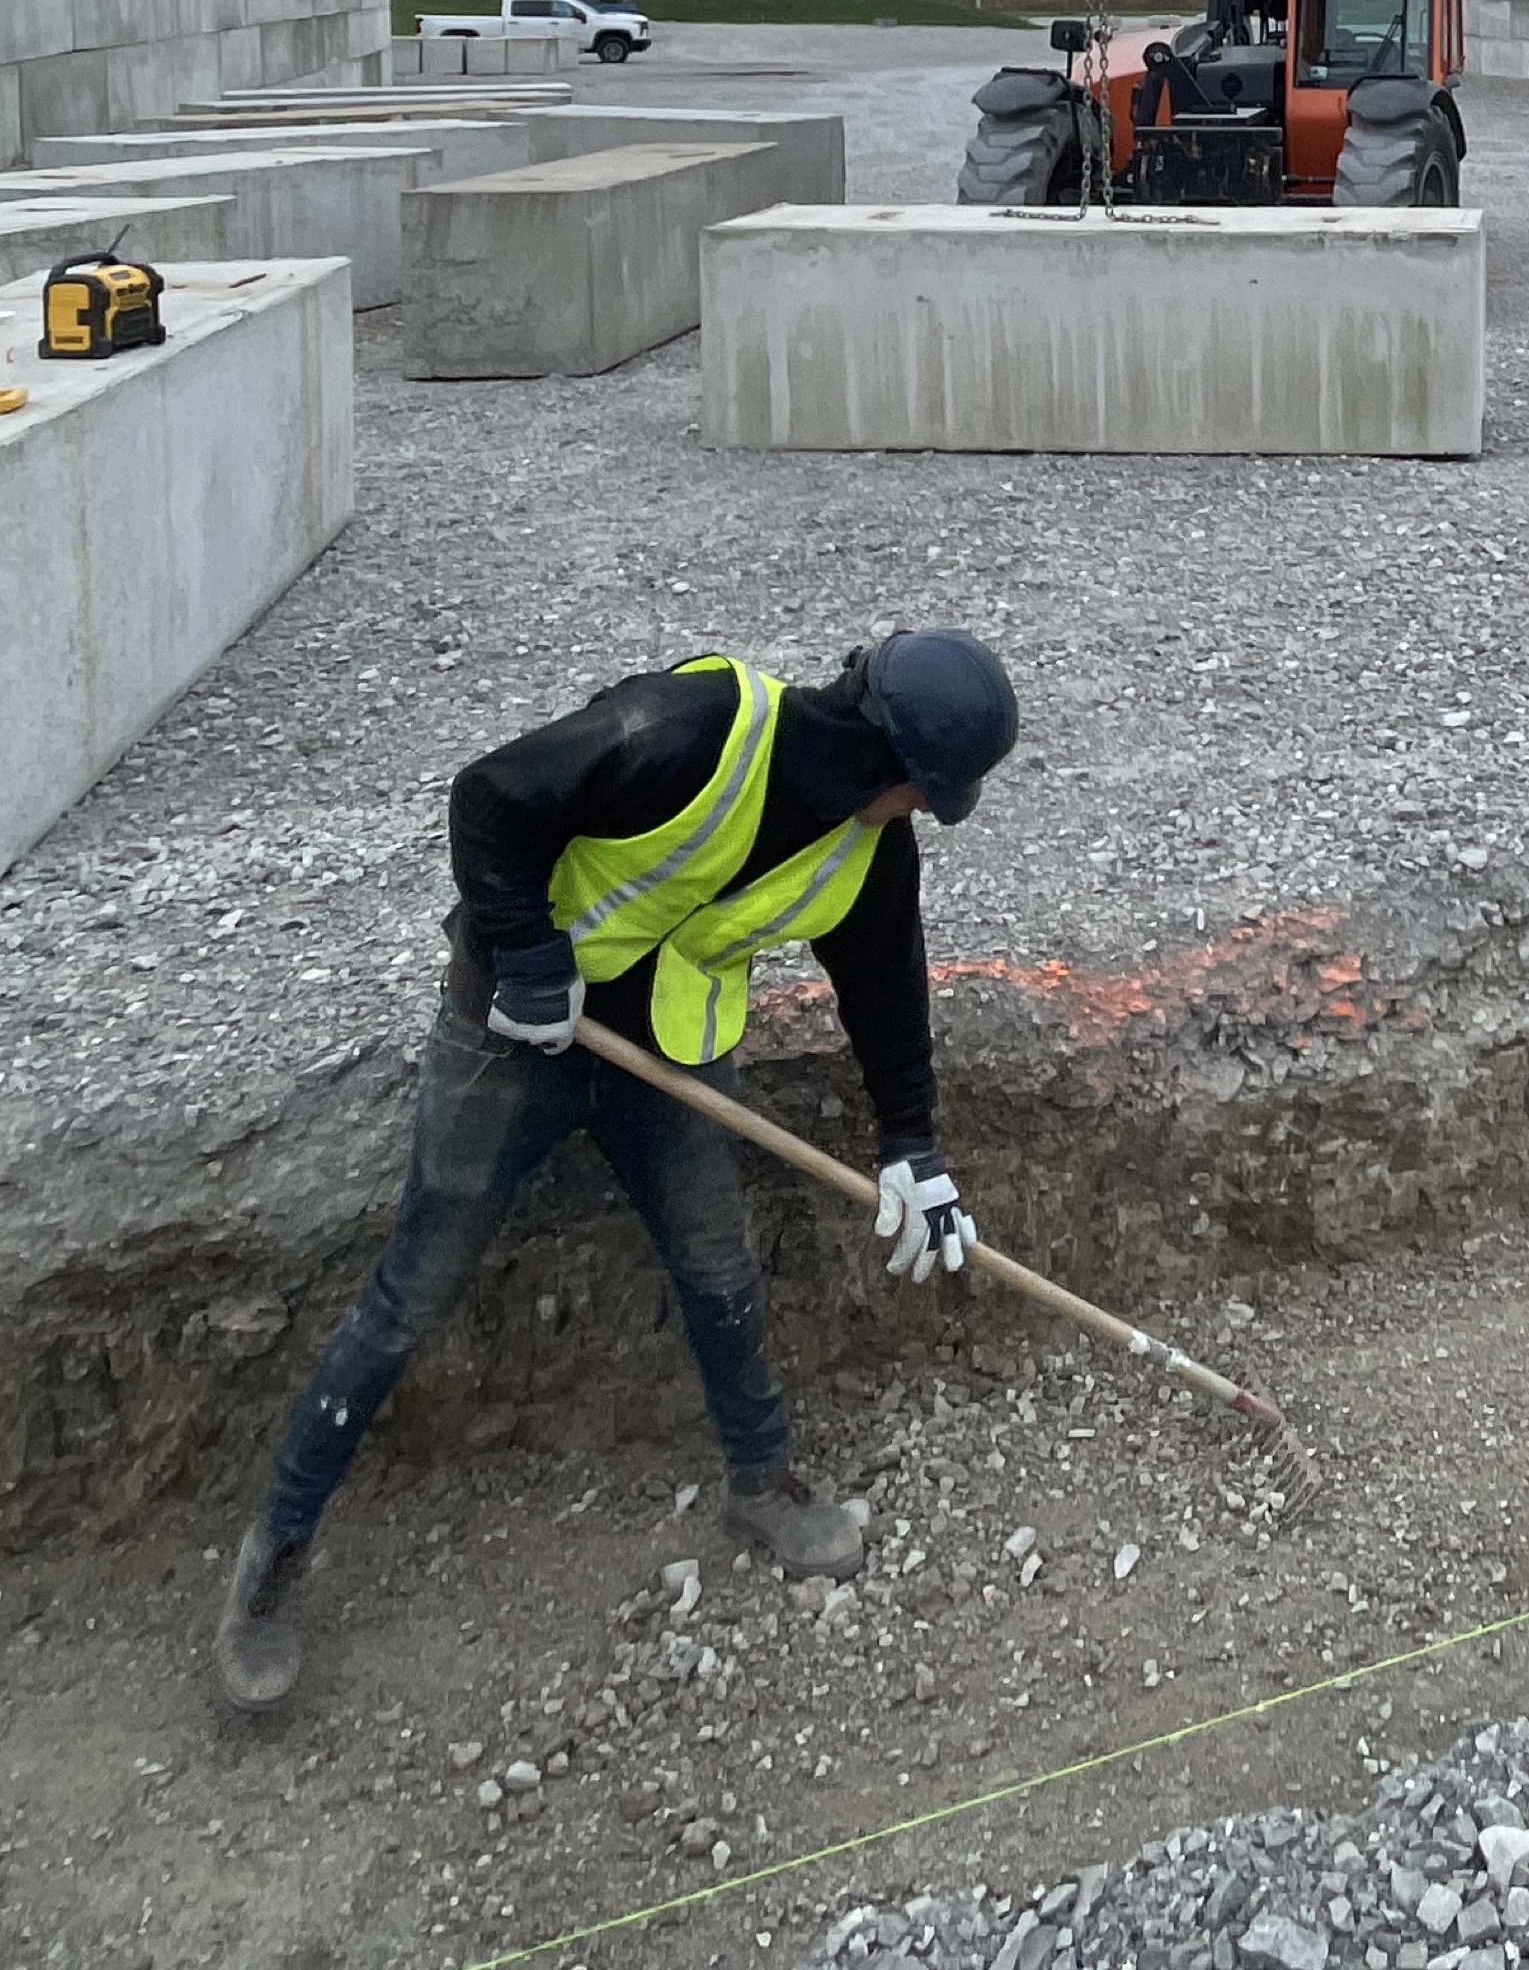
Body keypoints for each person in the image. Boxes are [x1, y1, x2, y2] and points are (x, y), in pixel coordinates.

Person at [209, 627, 1021, 1710]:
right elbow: (492, 799)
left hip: (666, 1060)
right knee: (412, 1290)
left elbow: (884, 985)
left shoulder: (869, 852)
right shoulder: (691, 735)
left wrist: (911, 1143)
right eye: (925, 794)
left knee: (719, 1267)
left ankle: (762, 1481)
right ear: (896, 765)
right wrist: (533, 960)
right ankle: (272, 1564)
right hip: (514, 1037)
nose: (920, 814)